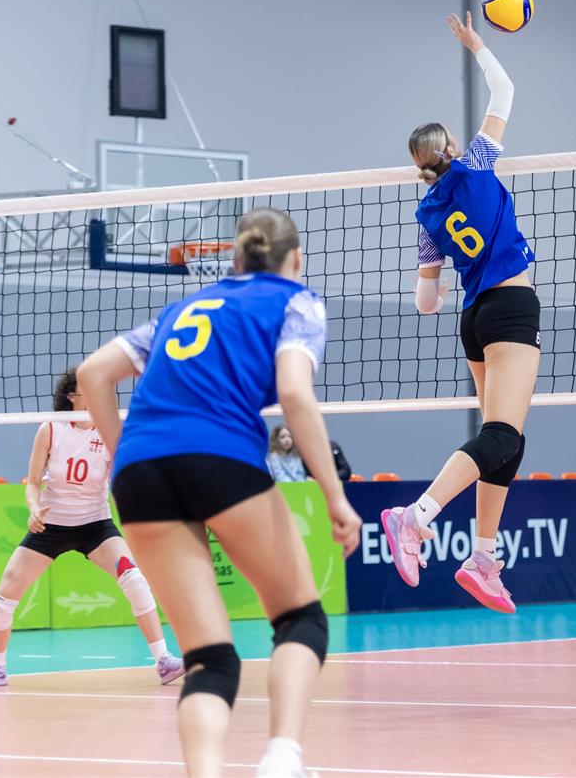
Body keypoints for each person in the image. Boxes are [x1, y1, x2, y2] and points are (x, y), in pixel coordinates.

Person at [77, 206, 362, 776]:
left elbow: (92, 374)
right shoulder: (295, 300)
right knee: (300, 618)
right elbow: (294, 394)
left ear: (235, 257)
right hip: (219, 455)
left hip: (139, 471)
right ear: (296, 259)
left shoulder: (182, 308)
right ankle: (282, 757)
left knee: (208, 658)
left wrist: (125, 452)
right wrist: (335, 495)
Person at [381, 11, 538, 615]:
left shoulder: (426, 215)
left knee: (507, 441)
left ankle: (483, 557)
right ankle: (416, 516)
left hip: (473, 320)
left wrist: (440, 291)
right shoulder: (476, 165)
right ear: (449, 148)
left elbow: (426, 303)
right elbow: (506, 90)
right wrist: (477, 45)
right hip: (510, 308)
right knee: (502, 435)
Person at [0, 368, 184, 689]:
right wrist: (34, 509)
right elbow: (33, 483)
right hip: (51, 524)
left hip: (95, 524)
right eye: (88, 388)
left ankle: (164, 661)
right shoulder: (50, 430)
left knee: (133, 577)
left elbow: (118, 483)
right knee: (4, 594)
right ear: (71, 397)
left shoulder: (110, 432)